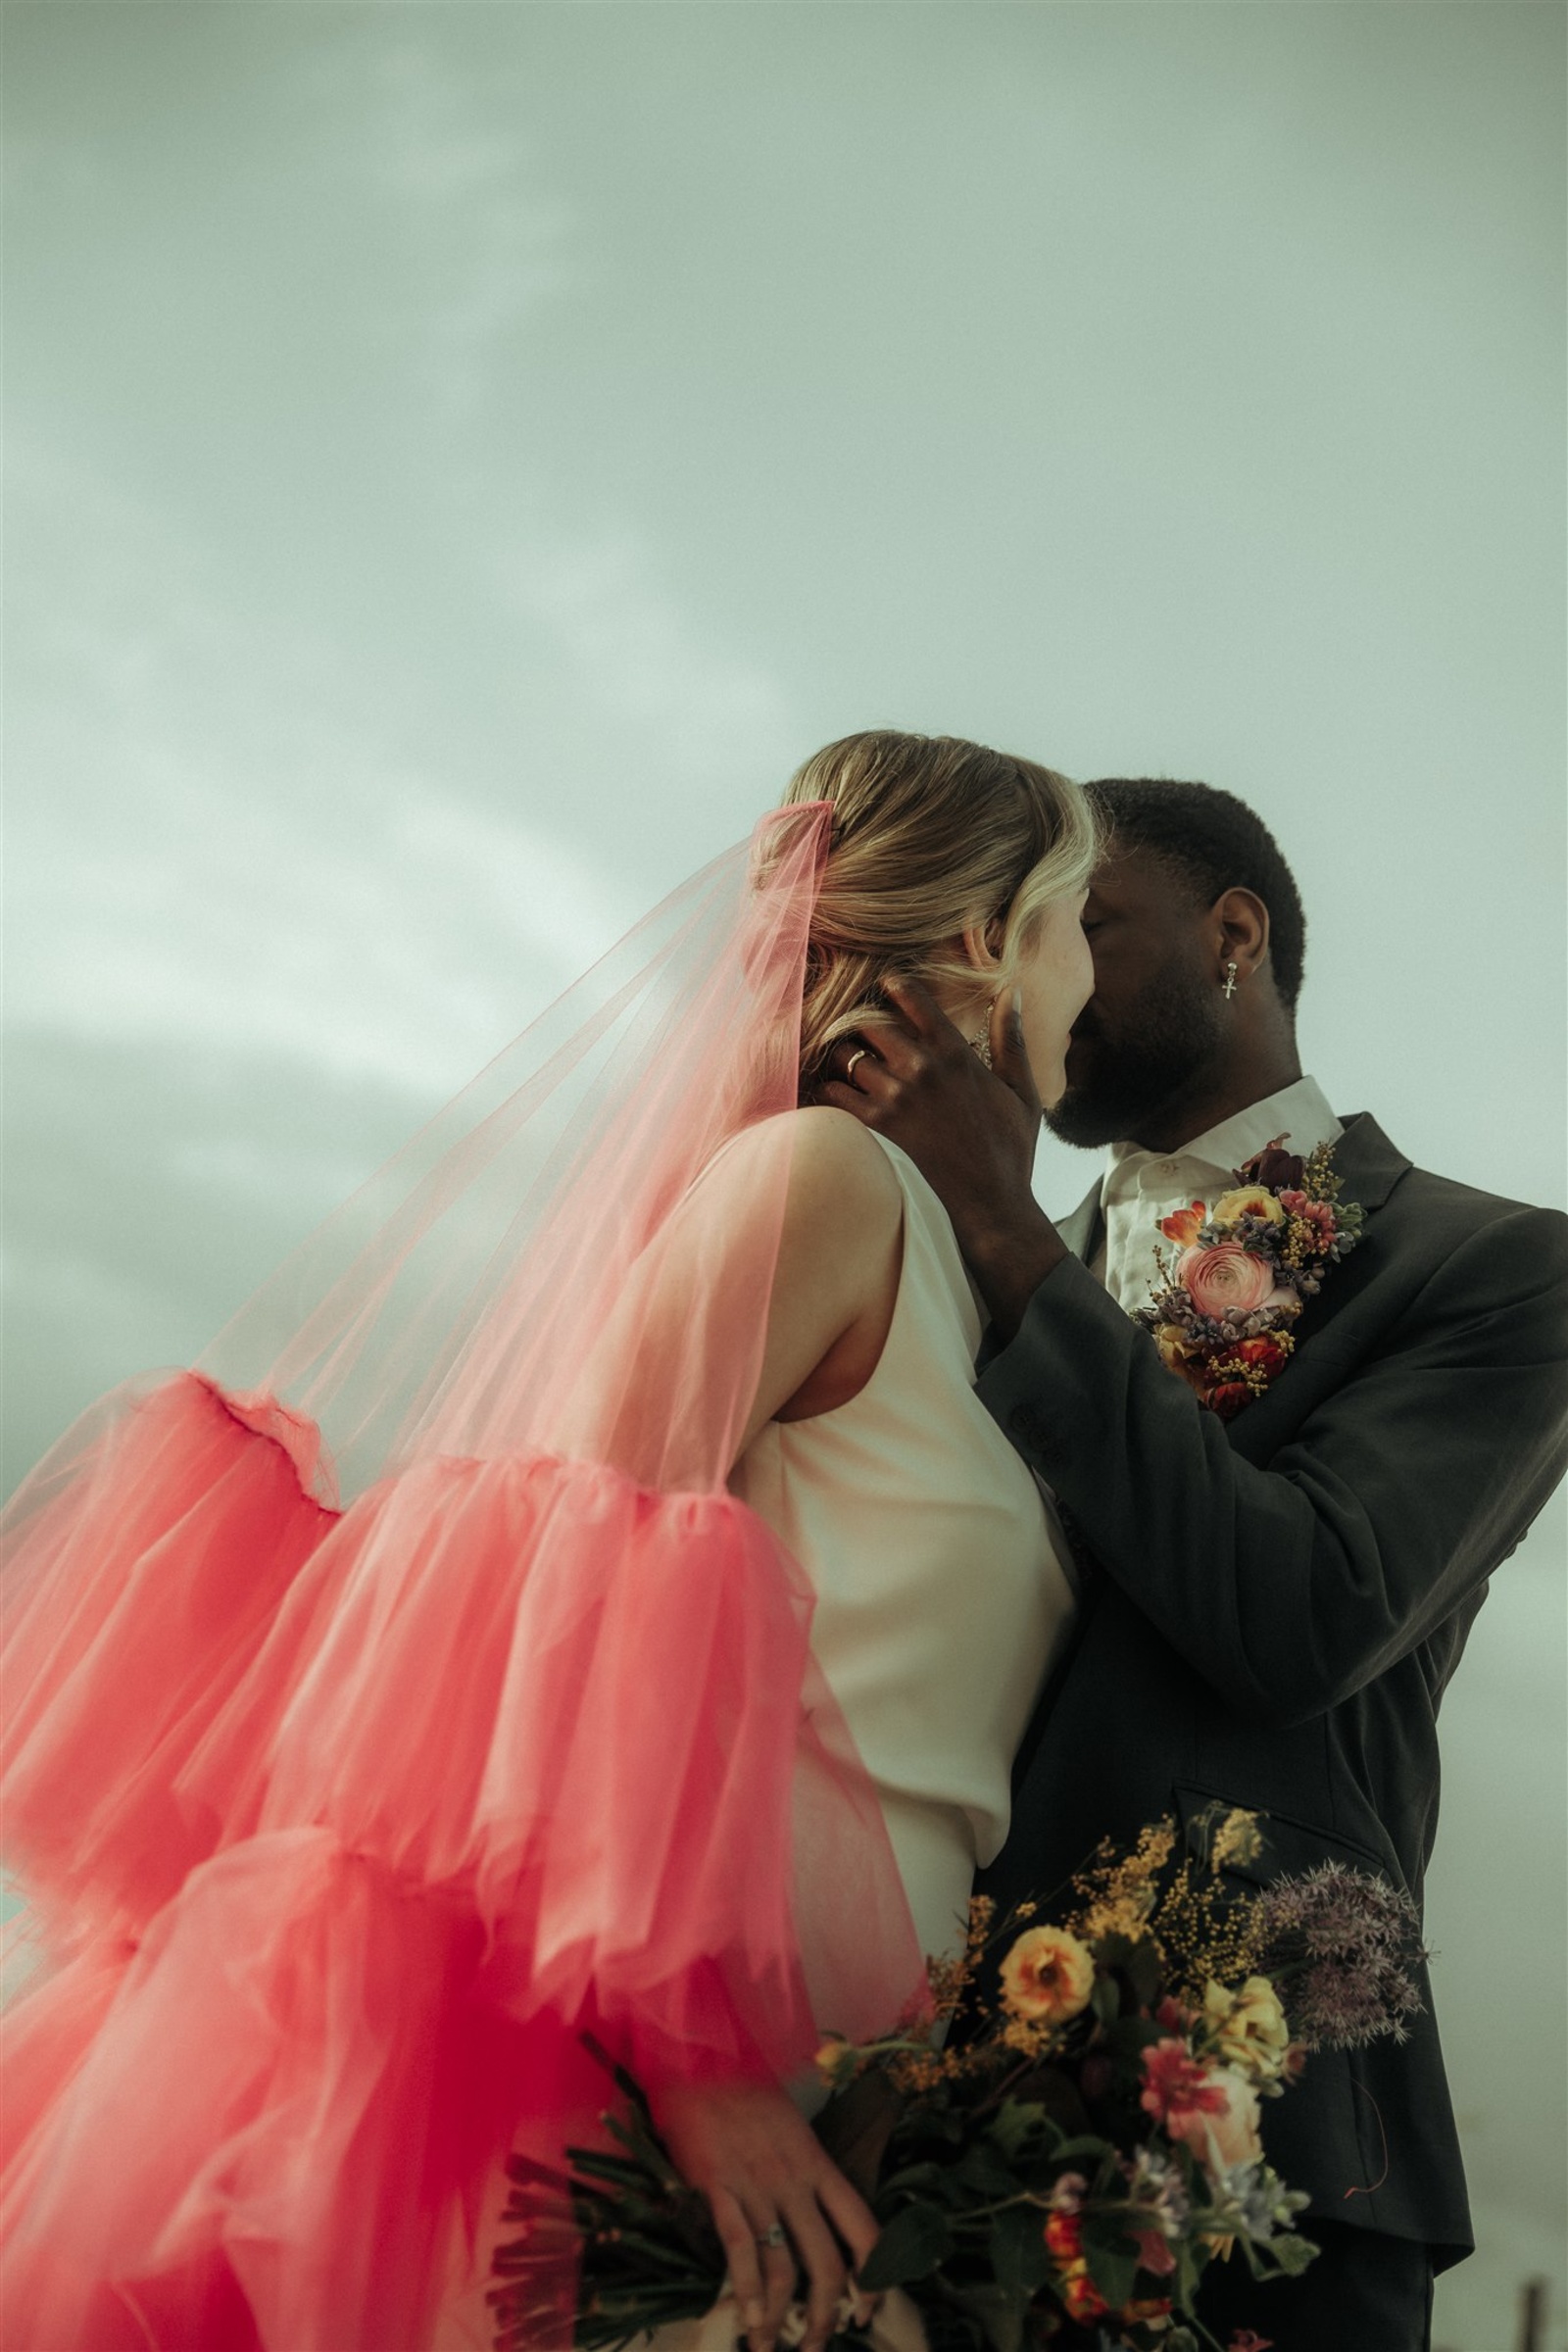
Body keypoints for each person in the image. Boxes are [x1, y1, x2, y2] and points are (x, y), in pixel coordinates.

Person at [0, 731, 1095, 2352]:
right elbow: (570, 1596)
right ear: (982, 943)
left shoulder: (950, 1259)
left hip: (848, 2072)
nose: (1088, 972)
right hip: (696, 2073)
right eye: (1076, 919)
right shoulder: (822, 1178)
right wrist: (703, 2070)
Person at [822, 775, 1568, 2352]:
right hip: (900, 2128)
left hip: (1263, 2137)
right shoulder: (940, 1261)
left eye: (1083, 922)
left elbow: (1306, 1614)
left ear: (1233, 934)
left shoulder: (1494, 1266)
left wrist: (1009, 1234)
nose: (1052, 976)